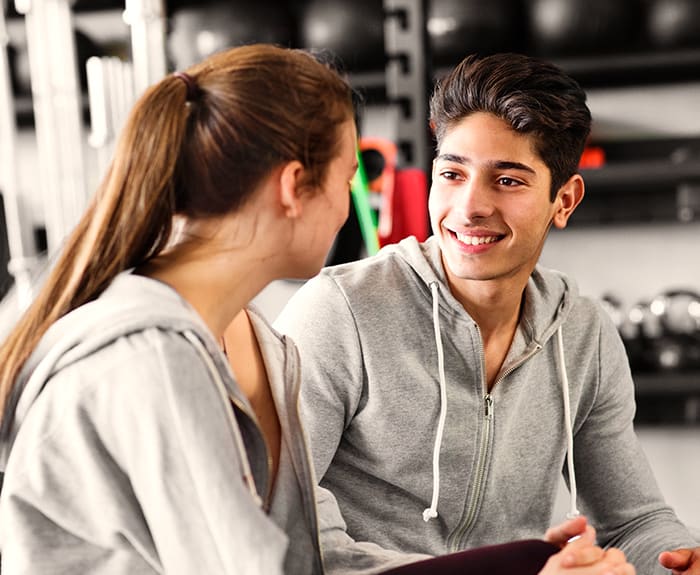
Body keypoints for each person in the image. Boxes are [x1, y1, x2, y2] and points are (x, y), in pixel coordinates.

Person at [0, 42, 634, 575]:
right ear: (293, 187)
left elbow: (312, 558)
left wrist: (518, 563)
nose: (353, 205)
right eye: (348, 175)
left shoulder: (260, 346)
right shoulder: (154, 359)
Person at [274, 52, 700, 575]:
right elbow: (287, 531)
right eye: (452, 174)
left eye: (508, 181)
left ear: (563, 200)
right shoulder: (339, 312)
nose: (470, 205)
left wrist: (678, 560)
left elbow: (635, 523)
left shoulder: (583, 333)